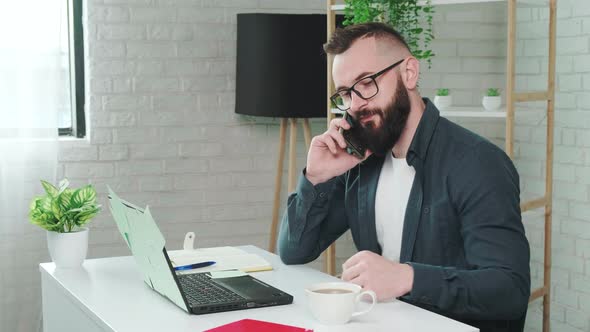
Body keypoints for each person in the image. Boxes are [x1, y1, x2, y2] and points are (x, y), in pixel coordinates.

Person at [278, 22, 530, 332]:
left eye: (366, 83)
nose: (355, 105)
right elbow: (294, 251)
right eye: (345, 93)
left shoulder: (478, 163)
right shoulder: (361, 162)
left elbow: (509, 290)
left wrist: (406, 278)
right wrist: (316, 178)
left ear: (409, 73)